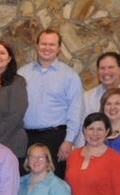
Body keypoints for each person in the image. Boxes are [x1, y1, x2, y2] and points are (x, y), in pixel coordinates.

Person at [18, 29, 84, 179]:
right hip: (27, 138)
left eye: (52, 44)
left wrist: (69, 141)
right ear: (36, 46)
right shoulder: (22, 73)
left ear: (59, 48)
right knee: (26, 182)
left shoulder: (70, 76)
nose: (47, 48)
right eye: (43, 44)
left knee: (54, 184)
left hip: (56, 139)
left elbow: (76, 110)